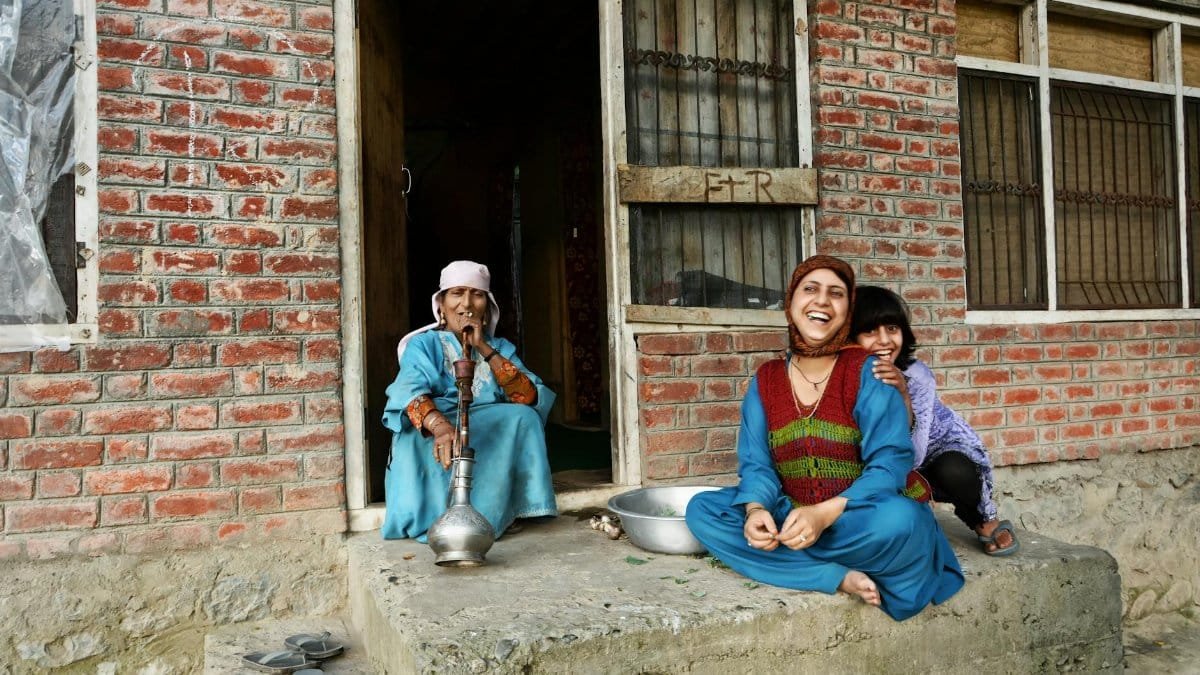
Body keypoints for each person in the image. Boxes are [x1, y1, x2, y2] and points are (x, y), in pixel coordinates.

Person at [686, 256, 964, 622]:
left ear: (847, 311)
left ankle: (796, 563)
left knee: (904, 521)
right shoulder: (766, 380)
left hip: (857, 519)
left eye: (836, 294)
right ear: (791, 303)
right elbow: (757, 464)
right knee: (702, 511)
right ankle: (836, 575)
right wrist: (756, 510)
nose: (821, 301)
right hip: (792, 515)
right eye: (810, 290)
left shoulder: (869, 371)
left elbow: (890, 463)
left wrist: (825, 513)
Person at [381, 260, 558, 541]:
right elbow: (408, 392)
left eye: (476, 294)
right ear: (441, 304)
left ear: (487, 305)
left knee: (524, 417)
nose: (467, 304)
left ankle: (500, 511)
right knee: (417, 435)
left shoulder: (499, 348)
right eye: (457, 293)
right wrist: (439, 427)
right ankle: (437, 517)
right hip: (438, 422)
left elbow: (527, 396)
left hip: (482, 420)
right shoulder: (423, 344)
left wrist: (483, 348)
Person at [851, 285, 1019, 556]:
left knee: (954, 471)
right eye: (870, 331)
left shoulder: (916, 377)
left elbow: (914, 456)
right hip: (885, 461)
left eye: (892, 329)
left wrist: (903, 394)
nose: (884, 340)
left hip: (933, 452)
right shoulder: (845, 378)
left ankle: (982, 519)